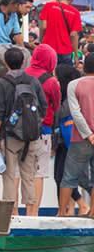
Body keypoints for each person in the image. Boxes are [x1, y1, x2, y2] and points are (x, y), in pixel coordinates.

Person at [0, 48, 47, 216]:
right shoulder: (33, 81)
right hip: (30, 136)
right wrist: (33, 125)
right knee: (28, 173)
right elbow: (43, 106)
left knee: (9, 174)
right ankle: (31, 212)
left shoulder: (2, 83)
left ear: (5, 62)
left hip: (9, 136)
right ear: (23, 62)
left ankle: (10, 211)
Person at [23, 43, 61, 213]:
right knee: (39, 172)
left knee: (22, 172)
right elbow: (57, 105)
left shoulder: (22, 75)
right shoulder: (51, 81)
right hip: (42, 130)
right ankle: (34, 211)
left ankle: (18, 211)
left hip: (20, 130)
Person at [58, 53, 94, 217]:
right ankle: (92, 212)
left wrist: (88, 134)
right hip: (89, 136)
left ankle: (61, 213)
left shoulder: (73, 84)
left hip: (80, 137)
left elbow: (76, 113)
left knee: (69, 177)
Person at [40, 0, 82, 67]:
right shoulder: (75, 13)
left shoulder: (48, 6)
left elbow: (43, 27)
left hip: (49, 48)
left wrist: (41, 40)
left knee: (48, 74)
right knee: (65, 76)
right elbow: (74, 35)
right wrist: (76, 55)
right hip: (66, 51)